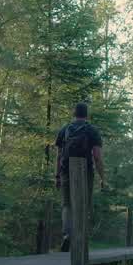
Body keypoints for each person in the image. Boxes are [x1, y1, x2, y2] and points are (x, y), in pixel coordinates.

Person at [55, 101, 105, 252]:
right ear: (87, 114)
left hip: (65, 171)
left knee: (66, 204)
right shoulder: (92, 130)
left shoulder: (64, 130)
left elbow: (58, 156)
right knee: (84, 204)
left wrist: (57, 176)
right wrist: (103, 177)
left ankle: (67, 235)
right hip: (85, 171)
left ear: (73, 113)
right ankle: (80, 238)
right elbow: (97, 156)